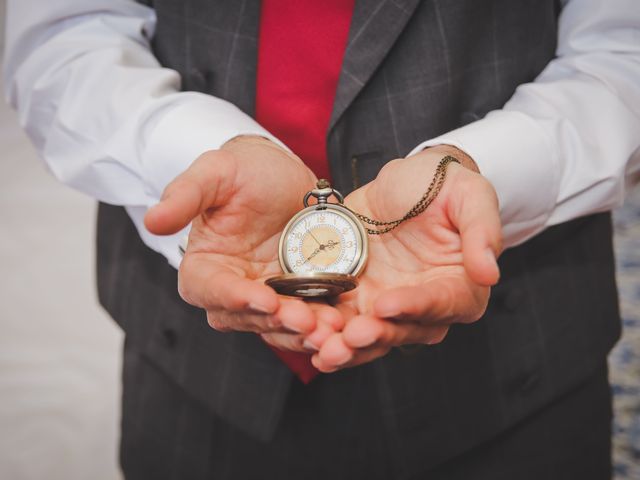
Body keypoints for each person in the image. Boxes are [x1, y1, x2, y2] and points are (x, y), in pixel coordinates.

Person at [5, 0, 640, 478]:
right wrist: (193, 154)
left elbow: (624, 49)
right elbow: (65, 35)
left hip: (517, 366)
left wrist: (480, 172)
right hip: (190, 365)